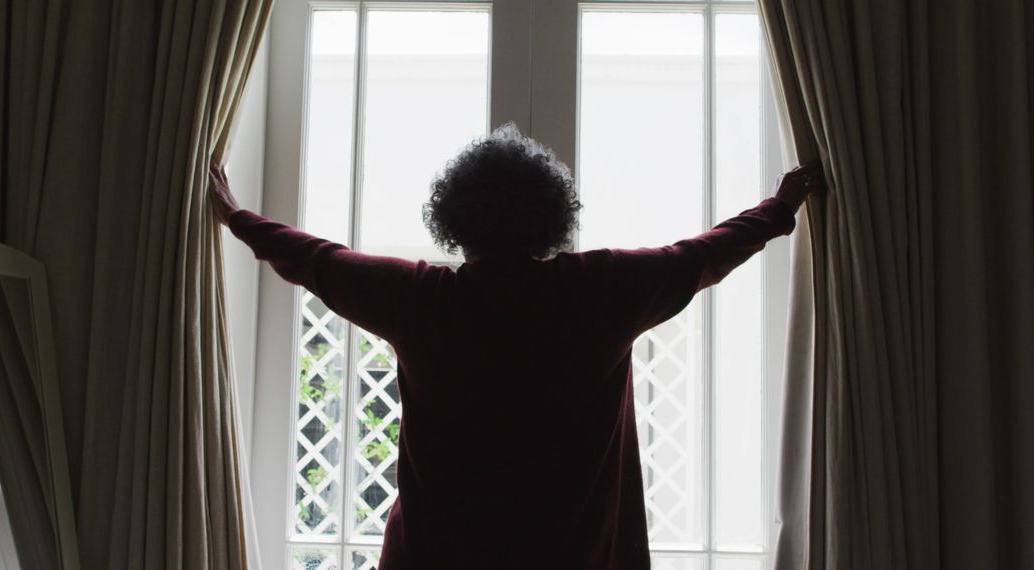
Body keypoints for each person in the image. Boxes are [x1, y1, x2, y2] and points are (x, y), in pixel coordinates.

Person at [208, 123, 823, 570]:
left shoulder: (420, 299)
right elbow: (705, 254)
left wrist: (237, 217)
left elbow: (318, 261)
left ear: (453, 218)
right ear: (552, 215)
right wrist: (779, 206)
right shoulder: (601, 290)